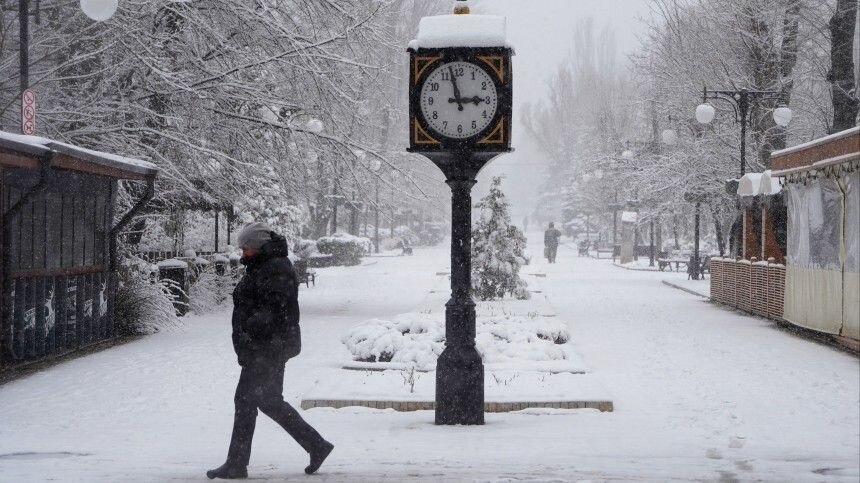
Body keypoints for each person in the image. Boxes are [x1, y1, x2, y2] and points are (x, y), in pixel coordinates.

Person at [208, 223, 333, 480]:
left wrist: (251, 328)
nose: (243, 252)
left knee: (245, 401)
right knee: (269, 401)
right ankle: (316, 445)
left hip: (267, 348)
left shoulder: (275, 268)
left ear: (259, 246)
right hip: (265, 347)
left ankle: (236, 463)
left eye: (247, 247)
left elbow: (277, 311)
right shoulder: (264, 265)